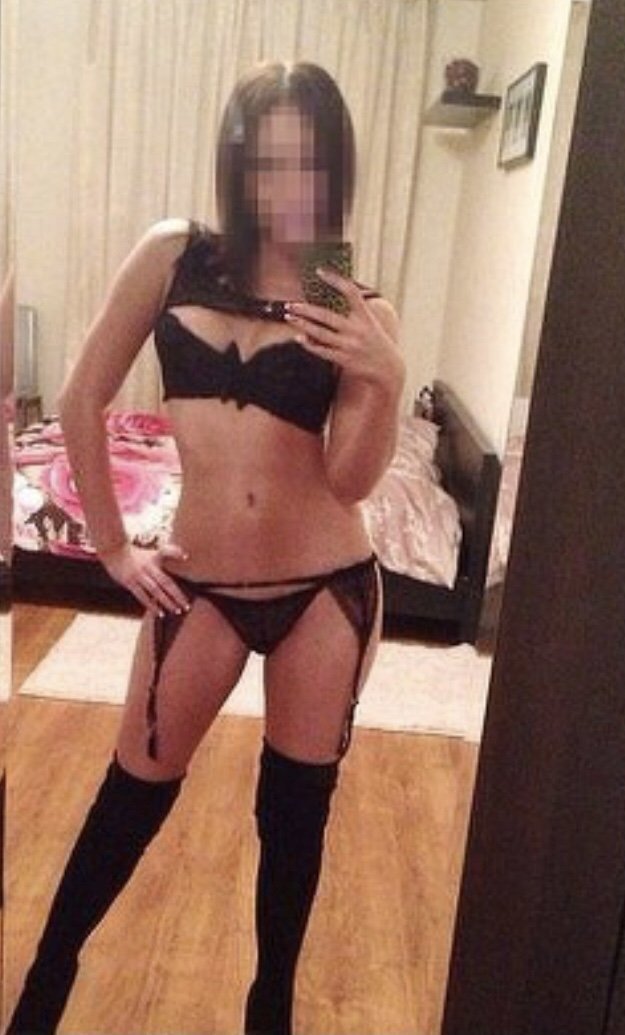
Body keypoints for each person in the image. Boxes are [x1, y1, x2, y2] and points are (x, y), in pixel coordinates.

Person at [7, 60, 404, 1035]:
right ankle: (41, 994)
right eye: (266, 159)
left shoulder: (348, 298)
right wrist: (111, 546)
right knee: (131, 793)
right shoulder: (176, 254)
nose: (286, 184)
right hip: (202, 585)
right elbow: (82, 398)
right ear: (237, 162)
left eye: (307, 162)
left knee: (295, 816)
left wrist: (386, 377)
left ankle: (271, 1009)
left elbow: (350, 478)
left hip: (327, 588)